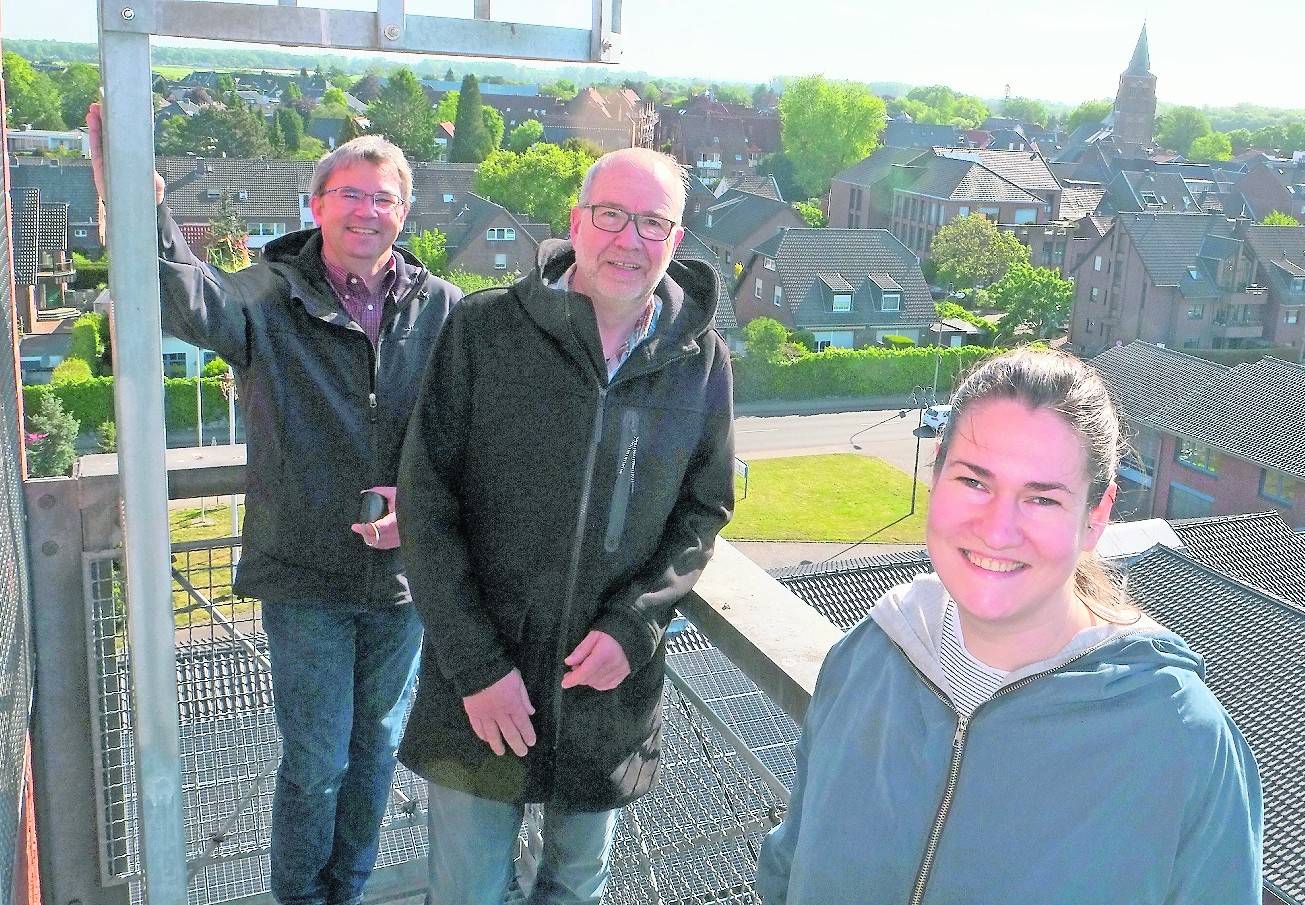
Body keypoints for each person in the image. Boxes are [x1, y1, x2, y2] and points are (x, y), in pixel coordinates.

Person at [87, 104, 461, 905]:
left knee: (377, 752)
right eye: (351, 194)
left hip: (403, 581)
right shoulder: (269, 295)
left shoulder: (442, 309)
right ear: (317, 203)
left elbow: (469, 430)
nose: (368, 211)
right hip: (304, 576)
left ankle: (346, 893)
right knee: (319, 761)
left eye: (385, 198)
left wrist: (419, 501)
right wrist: (137, 201)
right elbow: (184, 296)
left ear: (405, 212)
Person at [756, 347, 1263, 905]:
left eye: (1042, 498)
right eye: (975, 482)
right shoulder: (866, 656)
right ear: (936, 476)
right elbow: (790, 863)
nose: (998, 530)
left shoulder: (1180, 739)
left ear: (1096, 516)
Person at [395, 147, 735, 904]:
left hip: (603, 688)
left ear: (675, 241)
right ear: (576, 224)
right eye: (611, 215)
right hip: (480, 684)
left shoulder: (699, 361)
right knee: (468, 892)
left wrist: (634, 627)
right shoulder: (484, 330)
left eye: (652, 222)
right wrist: (477, 668)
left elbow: (703, 507)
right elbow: (426, 503)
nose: (629, 239)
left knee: (576, 886)